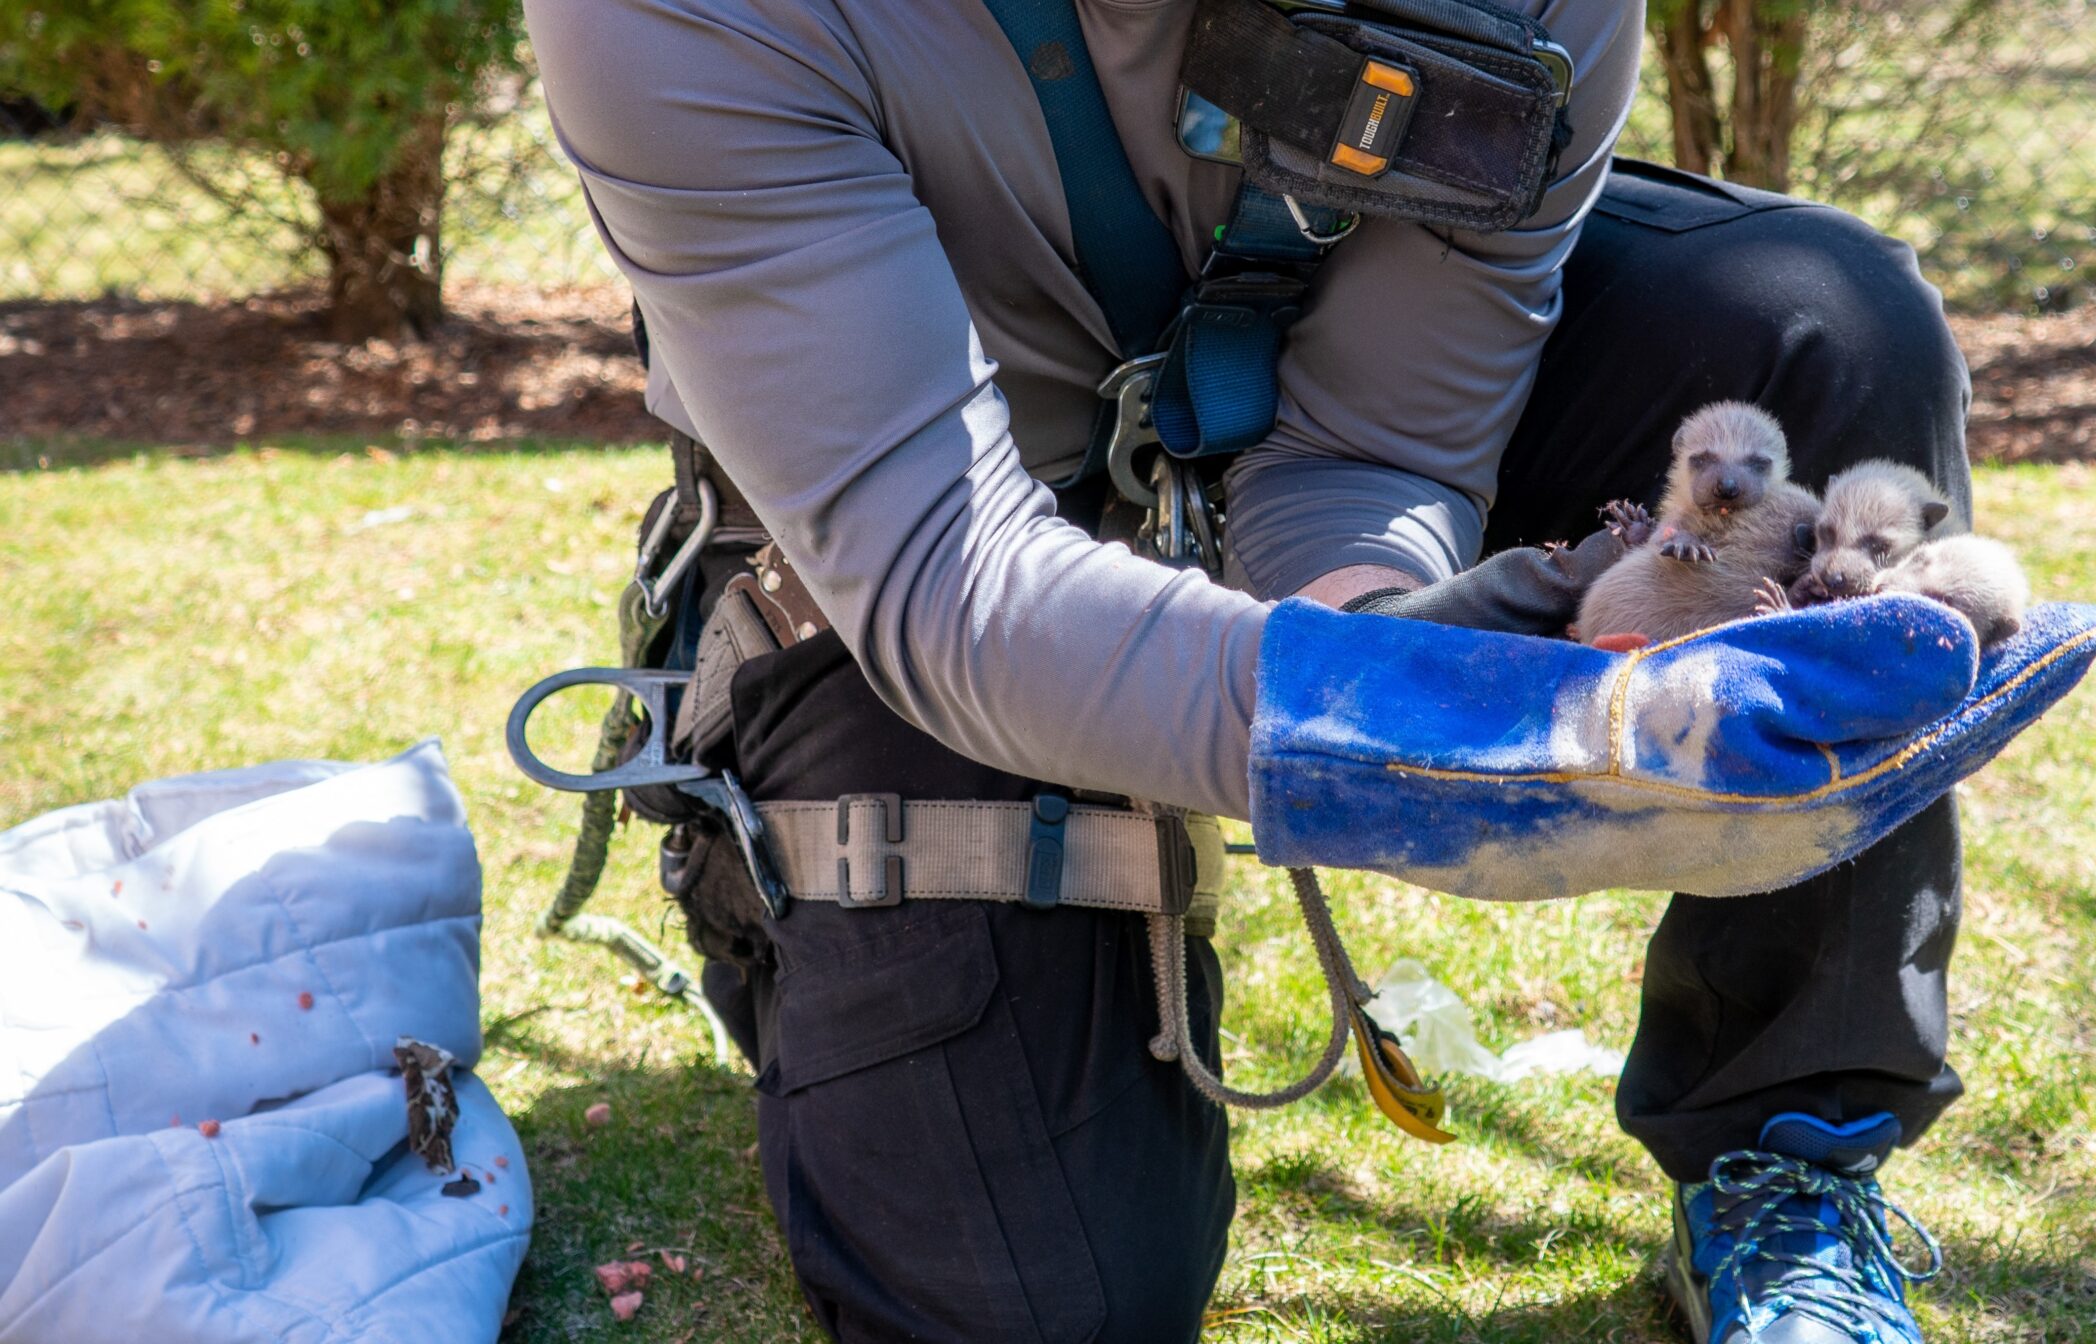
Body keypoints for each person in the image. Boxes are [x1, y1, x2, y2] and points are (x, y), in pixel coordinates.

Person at [524, 0, 2004, 1339]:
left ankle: (1787, 1157)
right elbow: (948, 582)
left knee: (1813, 324)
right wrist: (1371, 724)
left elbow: (1380, 440)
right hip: (909, 564)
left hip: (1282, 431)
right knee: (1048, 1309)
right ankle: (779, 879)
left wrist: (1403, 625)